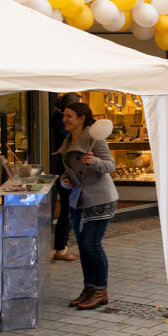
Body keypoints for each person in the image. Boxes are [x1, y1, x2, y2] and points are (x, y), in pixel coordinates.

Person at [57, 102, 118, 311]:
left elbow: (110, 165)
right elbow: (70, 170)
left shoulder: (94, 138)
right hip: (79, 199)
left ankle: (101, 291)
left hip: (100, 198)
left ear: (81, 118)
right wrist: (66, 179)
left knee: (92, 245)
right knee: (83, 248)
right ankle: (89, 288)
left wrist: (94, 162)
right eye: (64, 115)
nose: (64, 119)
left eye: (69, 116)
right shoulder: (67, 140)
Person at [50, 92, 81, 263]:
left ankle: (62, 247)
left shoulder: (57, 119)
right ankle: (61, 248)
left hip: (62, 171)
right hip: (64, 172)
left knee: (66, 210)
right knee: (66, 211)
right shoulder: (63, 124)